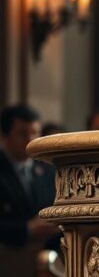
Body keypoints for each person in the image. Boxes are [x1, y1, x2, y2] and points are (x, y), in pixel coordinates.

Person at [0, 104, 58, 247]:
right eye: (22, 134)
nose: (30, 139)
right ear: (4, 137)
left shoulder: (48, 170)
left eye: (34, 133)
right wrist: (28, 229)